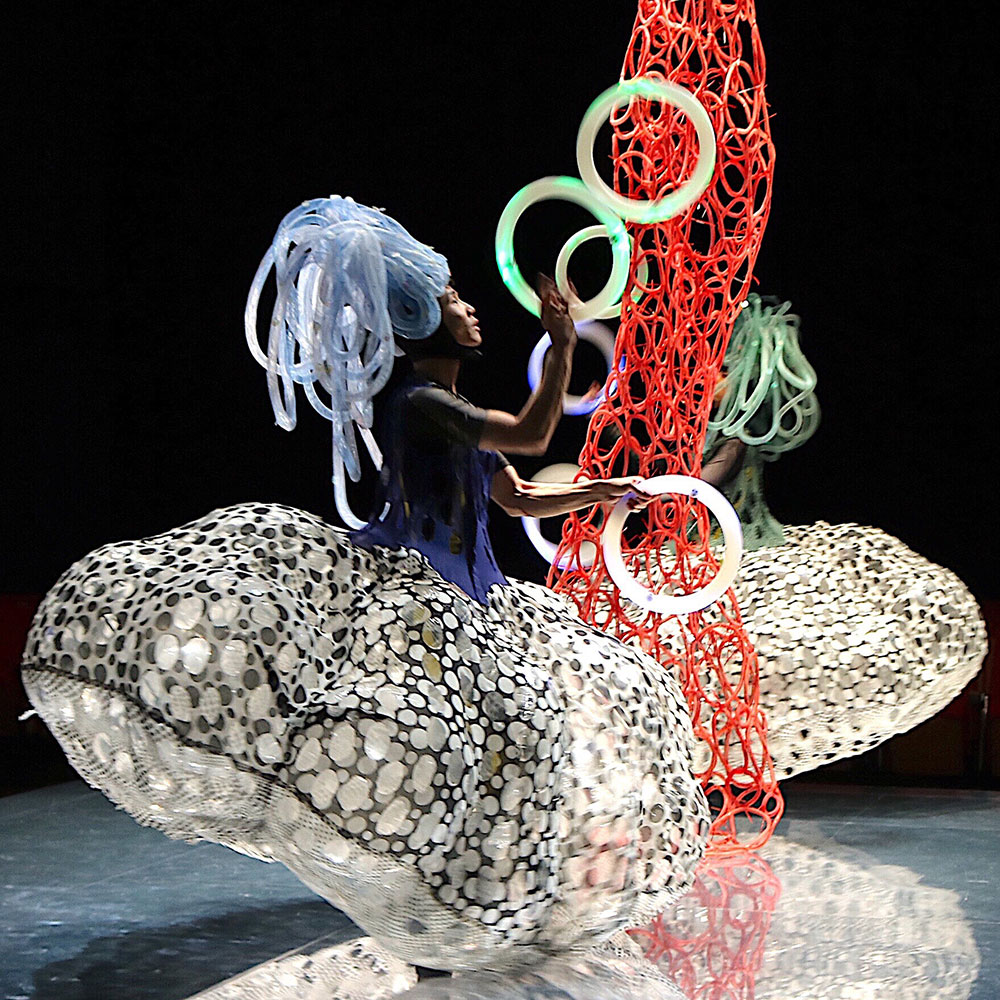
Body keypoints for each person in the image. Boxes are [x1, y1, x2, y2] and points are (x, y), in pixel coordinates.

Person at [21, 196, 709, 974]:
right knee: (444, 750)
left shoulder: (452, 410)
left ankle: (470, 909)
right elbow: (533, 434)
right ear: (423, 319)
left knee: (510, 747)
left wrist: (602, 491)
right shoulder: (423, 404)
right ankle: (434, 912)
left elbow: (516, 496)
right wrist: (559, 349)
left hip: (479, 603)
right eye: (455, 299)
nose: (471, 308)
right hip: (425, 603)